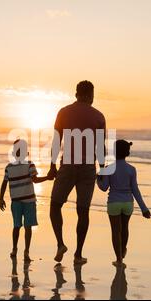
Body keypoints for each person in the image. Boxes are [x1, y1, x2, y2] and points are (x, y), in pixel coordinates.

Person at [47, 80, 106, 264]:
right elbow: (100, 147)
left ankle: (60, 244)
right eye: (93, 95)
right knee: (83, 211)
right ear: (89, 95)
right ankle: (78, 254)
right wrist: (103, 168)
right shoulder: (98, 116)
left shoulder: (63, 112)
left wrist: (52, 165)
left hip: (68, 165)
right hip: (88, 168)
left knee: (55, 206)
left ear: (76, 94)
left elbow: (57, 141)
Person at [97, 140, 151, 267]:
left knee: (115, 231)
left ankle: (119, 259)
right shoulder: (132, 169)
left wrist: (98, 179)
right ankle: (123, 250)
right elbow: (135, 190)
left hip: (114, 202)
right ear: (127, 153)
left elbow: (104, 187)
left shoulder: (109, 168)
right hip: (128, 203)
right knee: (125, 227)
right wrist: (144, 209)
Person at [0, 139, 52, 262]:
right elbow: (5, 183)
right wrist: (48, 178)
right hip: (23, 201)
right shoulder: (13, 167)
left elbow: (33, 180)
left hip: (23, 201)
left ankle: (22, 250)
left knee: (21, 226)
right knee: (20, 226)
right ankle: (18, 249)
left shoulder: (26, 165)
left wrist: (1, 198)